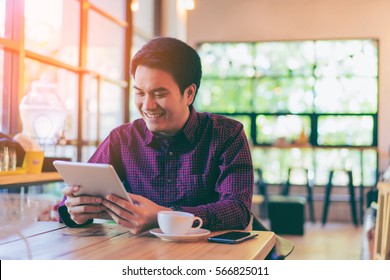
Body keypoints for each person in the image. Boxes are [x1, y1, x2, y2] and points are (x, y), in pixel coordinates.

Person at [58, 37, 254, 234]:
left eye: (159, 94)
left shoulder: (227, 134)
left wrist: (165, 216)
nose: (147, 106)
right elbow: (71, 204)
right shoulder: (122, 139)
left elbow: (238, 210)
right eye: (140, 93)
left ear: (189, 94)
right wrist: (76, 212)